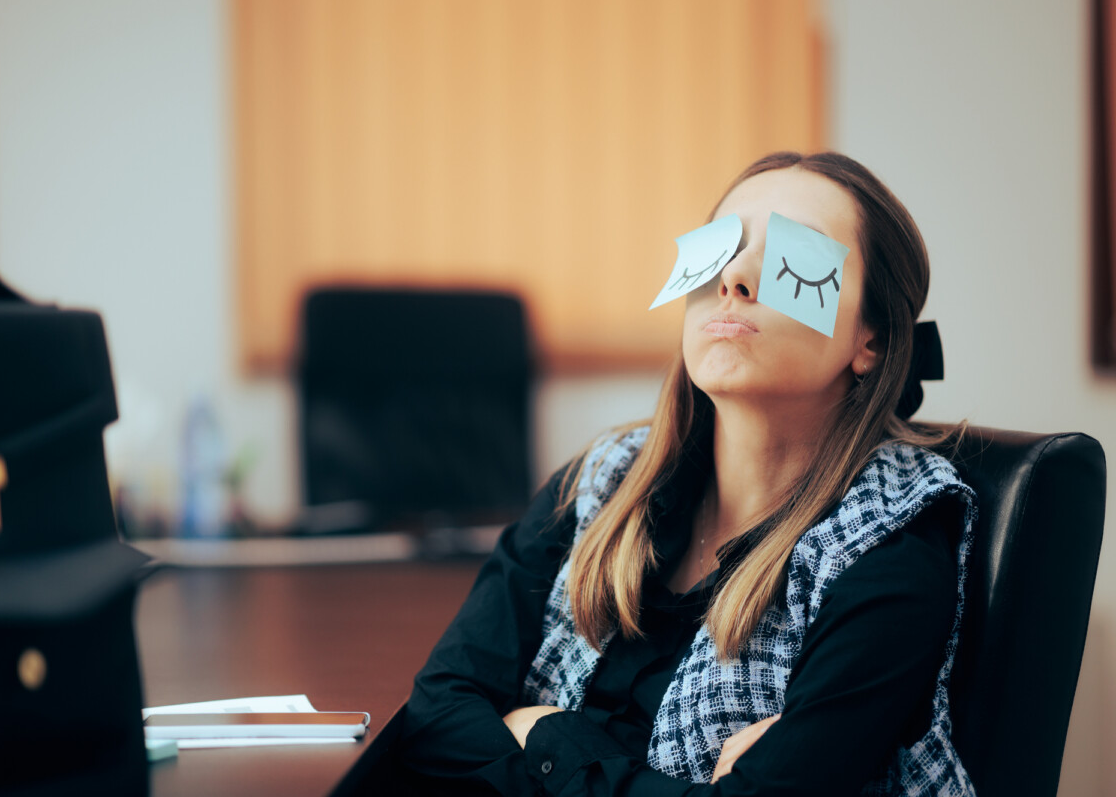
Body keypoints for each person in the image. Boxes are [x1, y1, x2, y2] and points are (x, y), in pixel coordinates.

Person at [399, 151, 978, 796]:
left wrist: (541, 734)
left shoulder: (890, 551)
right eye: (722, 246)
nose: (734, 275)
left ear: (870, 339)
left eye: (796, 252)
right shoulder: (600, 481)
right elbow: (434, 719)